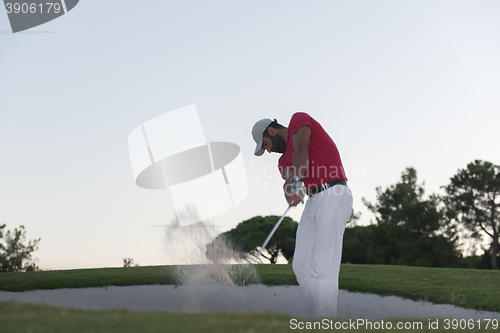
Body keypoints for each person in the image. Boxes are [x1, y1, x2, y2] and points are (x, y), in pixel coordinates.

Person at [252, 112, 353, 318]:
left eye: (266, 144)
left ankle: (326, 321)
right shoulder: (282, 160)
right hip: (314, 200)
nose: (269, 150)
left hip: (334, 193)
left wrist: (298, 180)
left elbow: (301, 149)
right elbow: (287, 177)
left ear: (272, 131)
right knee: (301, 266)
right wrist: (290, 189)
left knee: (324, 264)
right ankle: (321, 315)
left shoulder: (298, 119)